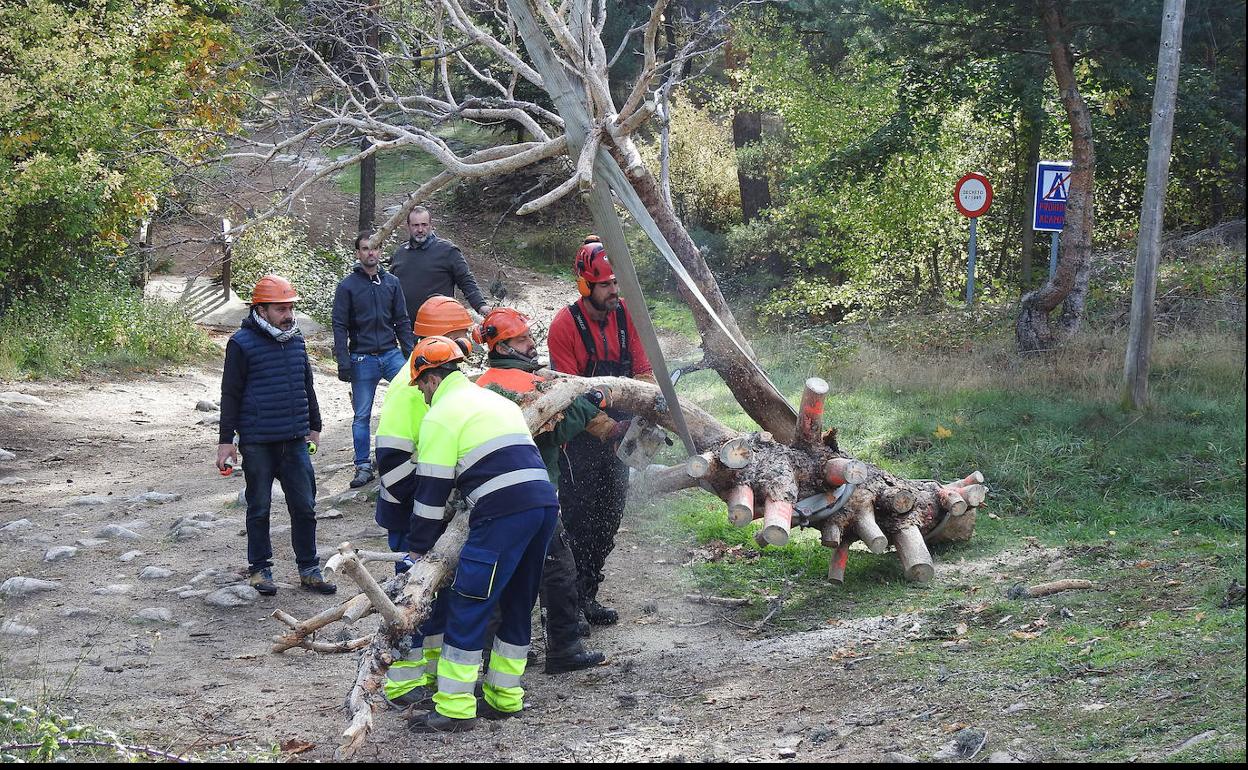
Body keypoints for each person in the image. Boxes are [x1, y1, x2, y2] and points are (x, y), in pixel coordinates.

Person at [403, 336, 560, 733]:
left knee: (470, 600)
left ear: (432, 378)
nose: (421, 395)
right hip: (543, 504)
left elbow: (431, 491)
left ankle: (455, 707)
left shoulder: (440, 415)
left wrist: (419, 548)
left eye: (421, 386)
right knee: (519, 598)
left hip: (502, 511)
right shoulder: (496, 402)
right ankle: (505, 697)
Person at [476, 308, 630, 674]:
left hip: (489, 493)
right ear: (503, 345)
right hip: (530, 490)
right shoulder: (525, 385)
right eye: (523, 339)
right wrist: (595, 401)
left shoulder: (483, 384)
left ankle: (500, 649)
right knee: (557, 570)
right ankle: (563, 648)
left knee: (504, 573)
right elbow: (557, 426)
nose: (532, 344)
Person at [547, 236, 656, 627]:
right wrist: (610, 429)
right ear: (586, 285)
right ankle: (565, 609)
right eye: (606, 284)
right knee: (578, 520)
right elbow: (568, 397)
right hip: (579, 437)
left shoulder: (627, 315)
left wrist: (645, 420)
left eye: (615, 283)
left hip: (622, 433)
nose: (613, 291)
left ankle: (588, 594)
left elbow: (643, 373)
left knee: (608, 519)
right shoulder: (565, 326)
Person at [374, 296, 475, 708]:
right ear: (442, 338)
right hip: (411, 511)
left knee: (435, 597)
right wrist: (430, 511)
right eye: (462, 335)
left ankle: (428, 673)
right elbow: (392, 462)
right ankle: (400, 682)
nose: (468, 342)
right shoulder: (412, 387)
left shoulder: (435, 376)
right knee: (410, 596)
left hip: (427, 508)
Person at [215, 275, 336, 597]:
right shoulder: (241, 343)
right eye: (281, 309)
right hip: (257, 441)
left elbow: (306, 384)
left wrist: (316, 425)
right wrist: (226, 441)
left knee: (305, 507)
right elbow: (230, 394)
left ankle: (309, 570)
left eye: (290, 308)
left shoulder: (296, 340)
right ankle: (259, 569)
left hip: (295, 439)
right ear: (262, 309)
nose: (288, 315)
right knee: (259, 507)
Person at [333, 231, 418, 488]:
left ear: (380, 251)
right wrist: (343, 360)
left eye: (375, 248)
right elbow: (339, 325)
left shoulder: (391, 282)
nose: (371, 253)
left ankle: (411, 452)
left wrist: (411, 354)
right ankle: (362, 466)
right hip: (362, 357)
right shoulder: (347, 286)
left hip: (392, 354)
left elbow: (402, 320)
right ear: (358, 253)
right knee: (361, 415)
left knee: (414, 397)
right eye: (365, 248)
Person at [390, 206, 490, 319]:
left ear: (431, 226)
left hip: (439, 326)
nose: (420, 229)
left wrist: (481, 306)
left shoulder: (448, 251)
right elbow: (390, 288)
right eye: (415, 225)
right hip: (406, 328)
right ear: (408, 226)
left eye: (424, 224)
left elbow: (466, 280)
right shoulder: (400, 253)